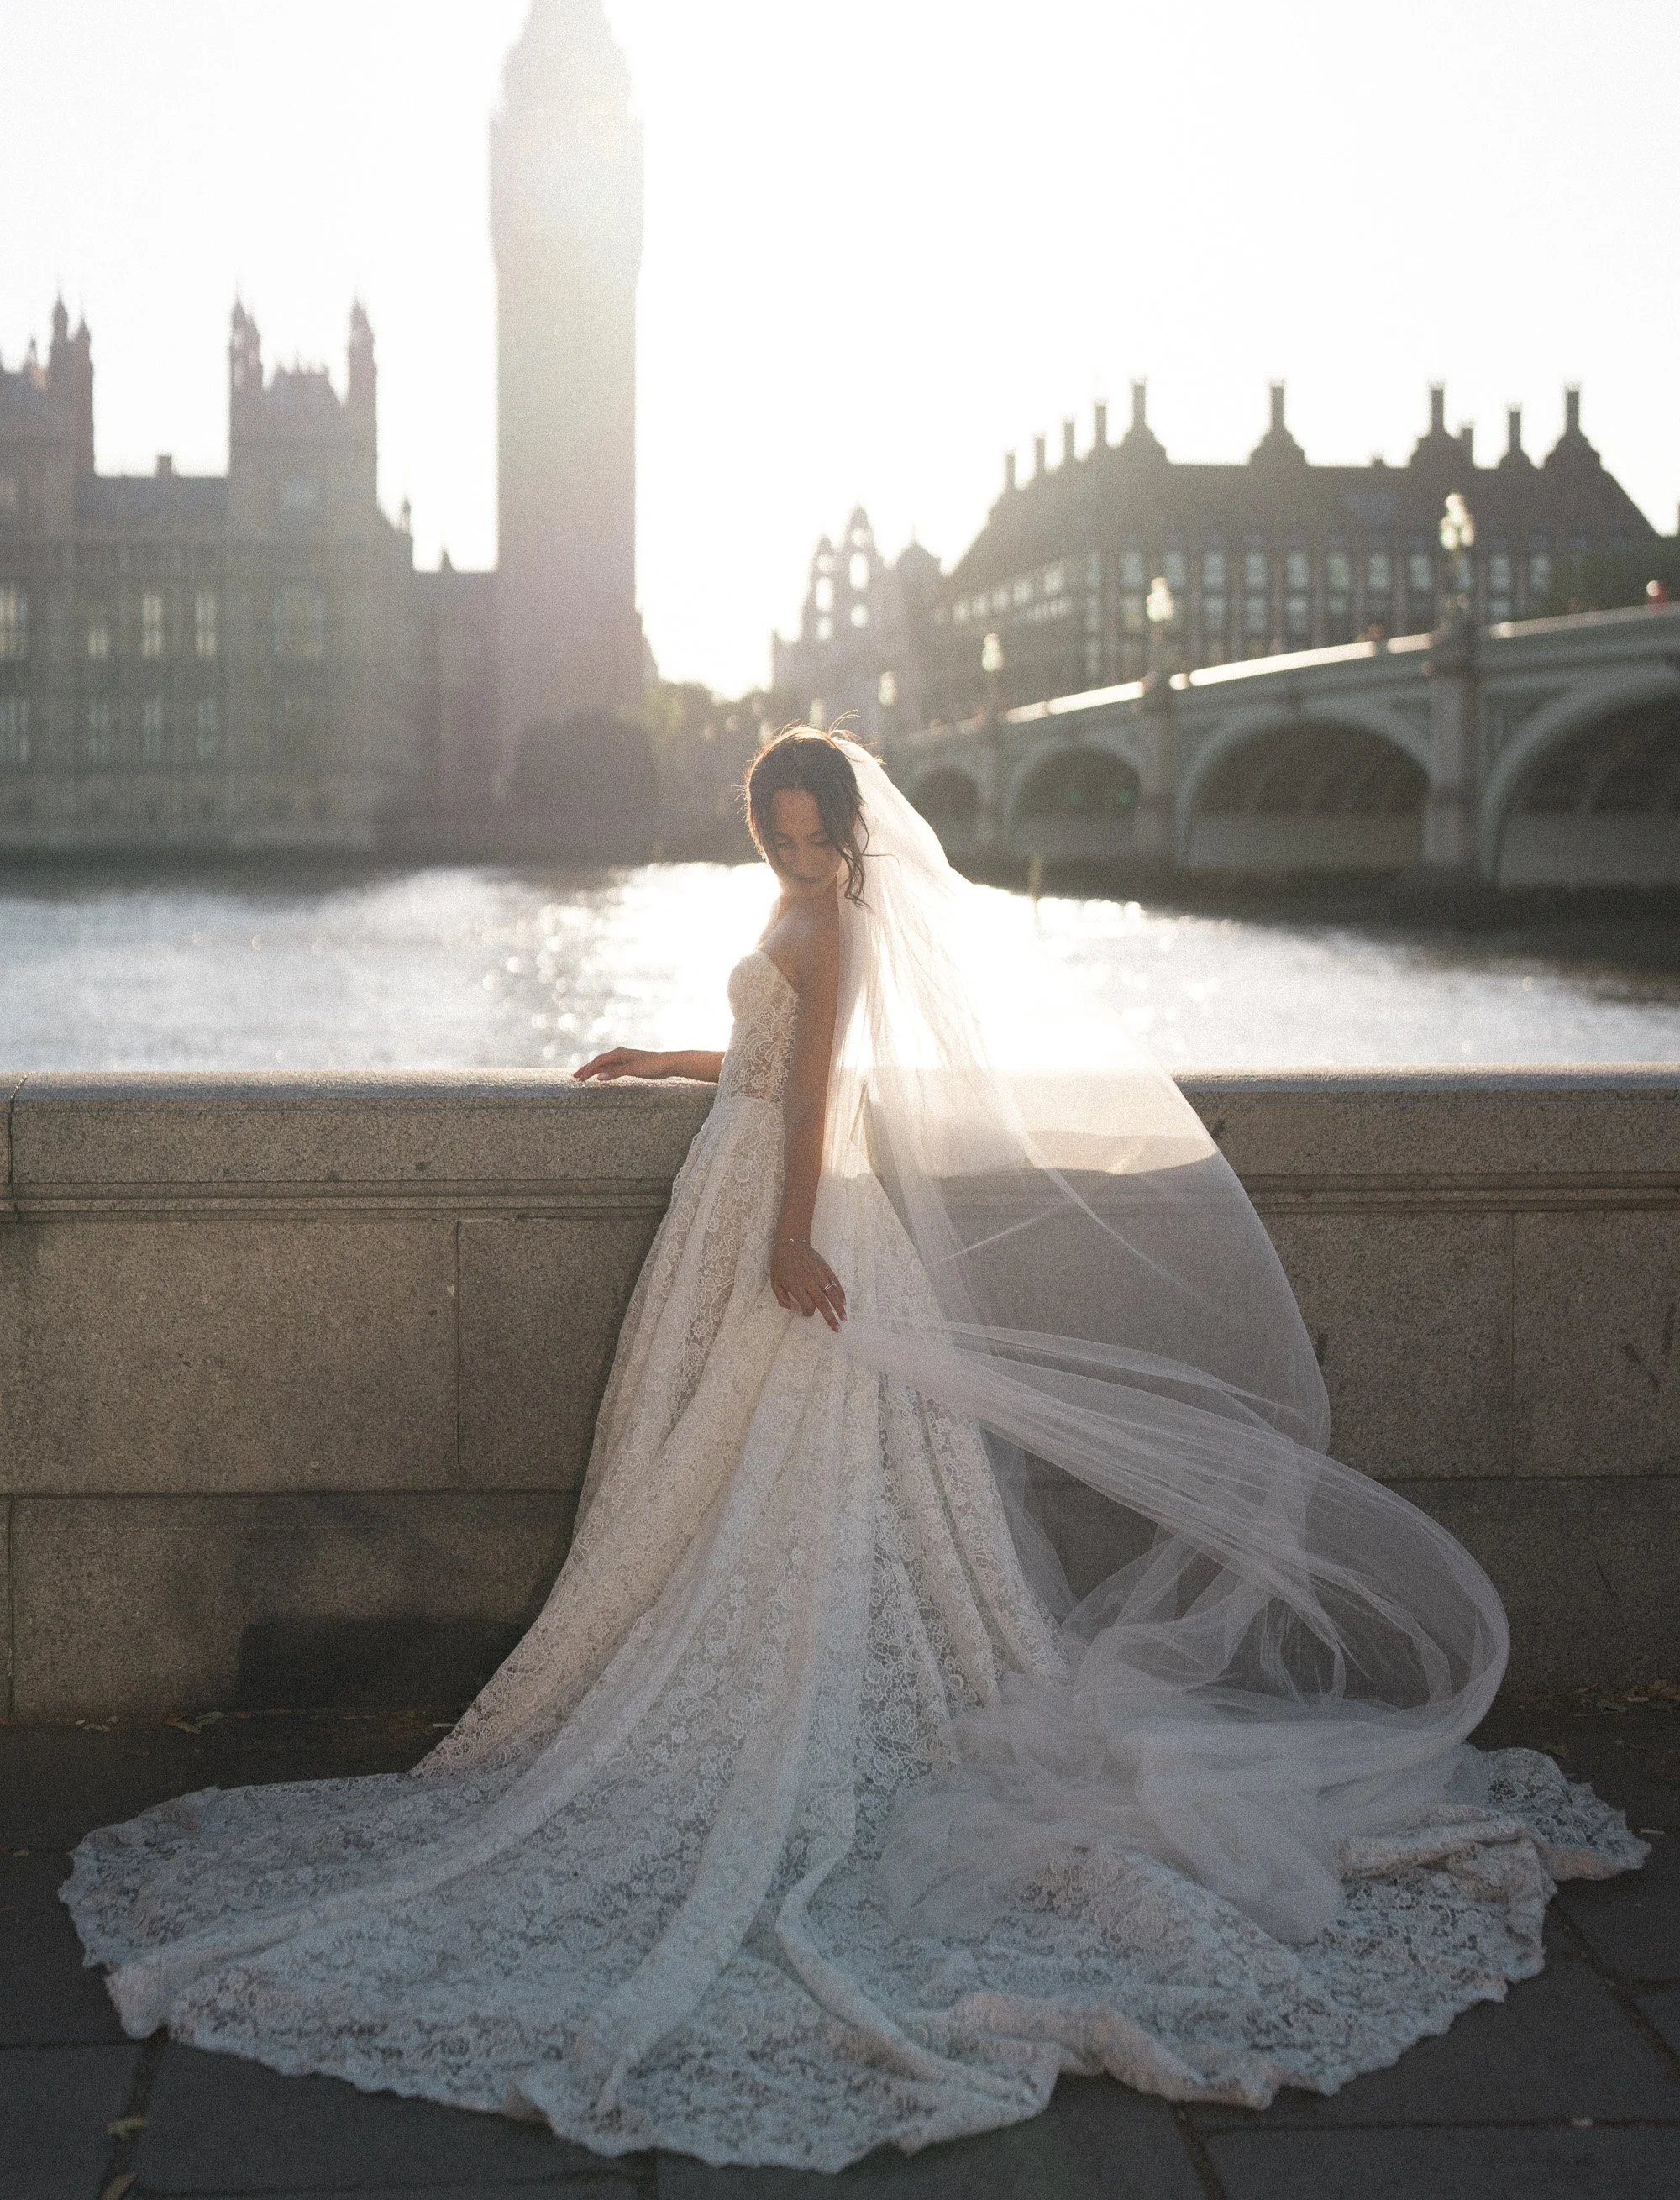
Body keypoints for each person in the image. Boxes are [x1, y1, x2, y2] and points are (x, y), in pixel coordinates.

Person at [63, 727, 1641, 2174]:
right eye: (779, 832)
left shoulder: (841, 925)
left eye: (816, 835)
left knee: (804, 1462)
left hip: (787, 1211)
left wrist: (793, 1234)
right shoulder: (795, 911)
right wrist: (664, 1061)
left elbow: (822, 1088)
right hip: (741, 1182)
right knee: (737, 1466)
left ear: (849, 837)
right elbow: (765, 1063)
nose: (797, 853)